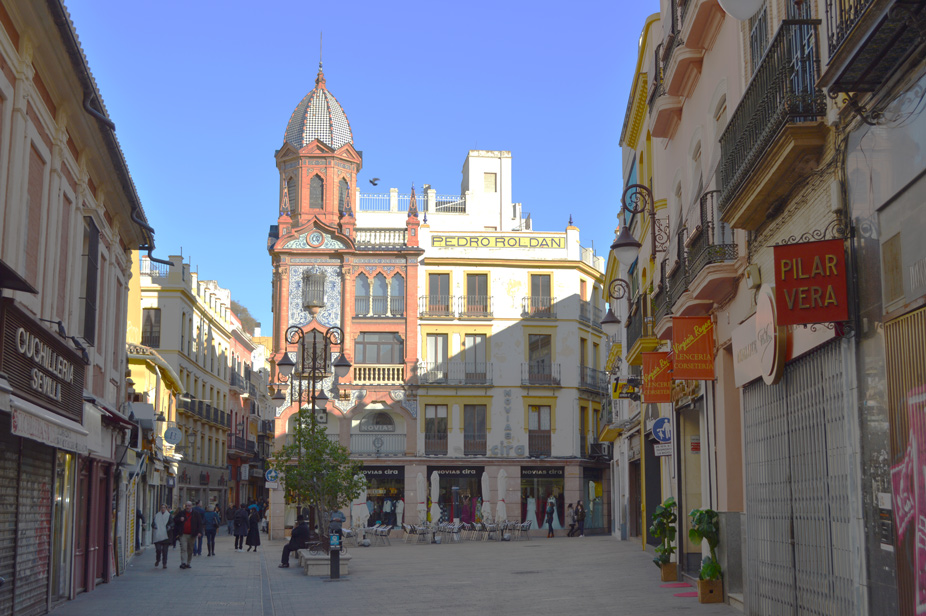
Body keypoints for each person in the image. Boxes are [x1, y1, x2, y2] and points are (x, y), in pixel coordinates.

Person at [173, 501, 203, 569]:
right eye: (186, 506)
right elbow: (175, 520)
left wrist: (199, 532)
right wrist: (180, 519)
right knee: (183, 549)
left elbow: (200, 523)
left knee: (190, 549)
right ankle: (183, 562)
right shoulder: (181, 513)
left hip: (192, 534)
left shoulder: (196, 514)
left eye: (189, 506)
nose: (187, 507)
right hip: (183, 534)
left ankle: (188, 562)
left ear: (191, 506)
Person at [152, 503, 173, 569]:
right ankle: (158, 560)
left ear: (166, 508)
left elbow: (172, 523)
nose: (163, 509)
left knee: (165, 550)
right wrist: (154, 526)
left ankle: (164, 563)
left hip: (165, 535)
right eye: (162, 507)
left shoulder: (169, 515)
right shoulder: (157, 515)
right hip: (158, 535)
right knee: (158, 549)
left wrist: (169, 526)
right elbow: (153, 524)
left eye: (164, 507)